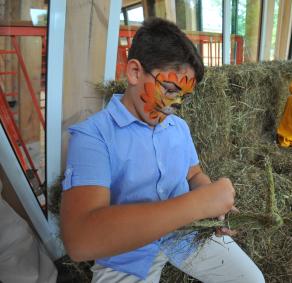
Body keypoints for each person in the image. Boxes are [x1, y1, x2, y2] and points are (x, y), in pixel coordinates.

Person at [60, 18, 264, 283]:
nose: (175, 104)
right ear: (134, 72)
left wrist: (209, 200)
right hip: (127, 253)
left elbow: (193, 174)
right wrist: (199, 204)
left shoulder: (178, 128)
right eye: (169, 89)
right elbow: (80, 241)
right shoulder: (92, 136)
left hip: (186, 235)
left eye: (185, 96)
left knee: (251, 280)